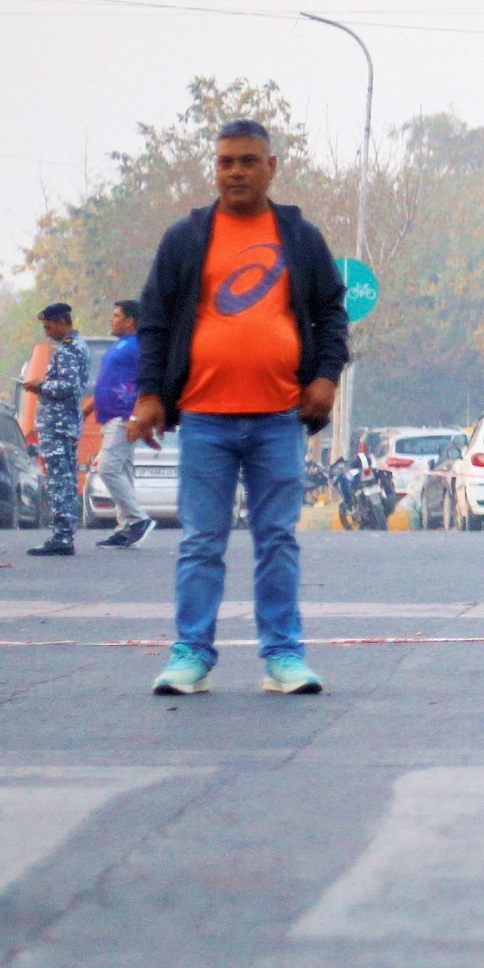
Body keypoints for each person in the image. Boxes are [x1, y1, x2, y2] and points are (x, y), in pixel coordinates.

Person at [129, 119, 348, 697]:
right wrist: (150, 395)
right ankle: (190, 656)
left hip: (279, 418)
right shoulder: (186, 238)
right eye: (226, 162)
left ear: (271, 167)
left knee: (276, 540)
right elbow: (155, 321)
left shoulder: (300, 237)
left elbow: (332, 311)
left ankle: (284, 657)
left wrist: (326, 377)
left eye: (249, 161)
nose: (236, 172)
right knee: (202, 542)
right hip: (204, 418)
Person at [23, 303, 91, 558]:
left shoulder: (67, 349)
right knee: (66, 479)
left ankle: (62, 536)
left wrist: (40, 386)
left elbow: (68, 387)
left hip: (58, 425)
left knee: (59, 481)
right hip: (66, 424)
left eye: (48, 326)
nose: (47, 331)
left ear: (62, 323)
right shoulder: (78, 345)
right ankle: (65, 532)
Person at [88, 301, 154, 549]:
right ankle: (125, 526)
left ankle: (139, 519)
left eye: (116, 315)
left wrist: (138, 416)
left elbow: (148, 380)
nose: (111, 319)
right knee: (123, 469)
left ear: (130, 320)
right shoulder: (120, 345)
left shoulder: (138, 345)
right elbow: (108, 380)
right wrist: (87, 408)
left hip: (125, 416)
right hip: (111, 416)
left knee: (107, 467)